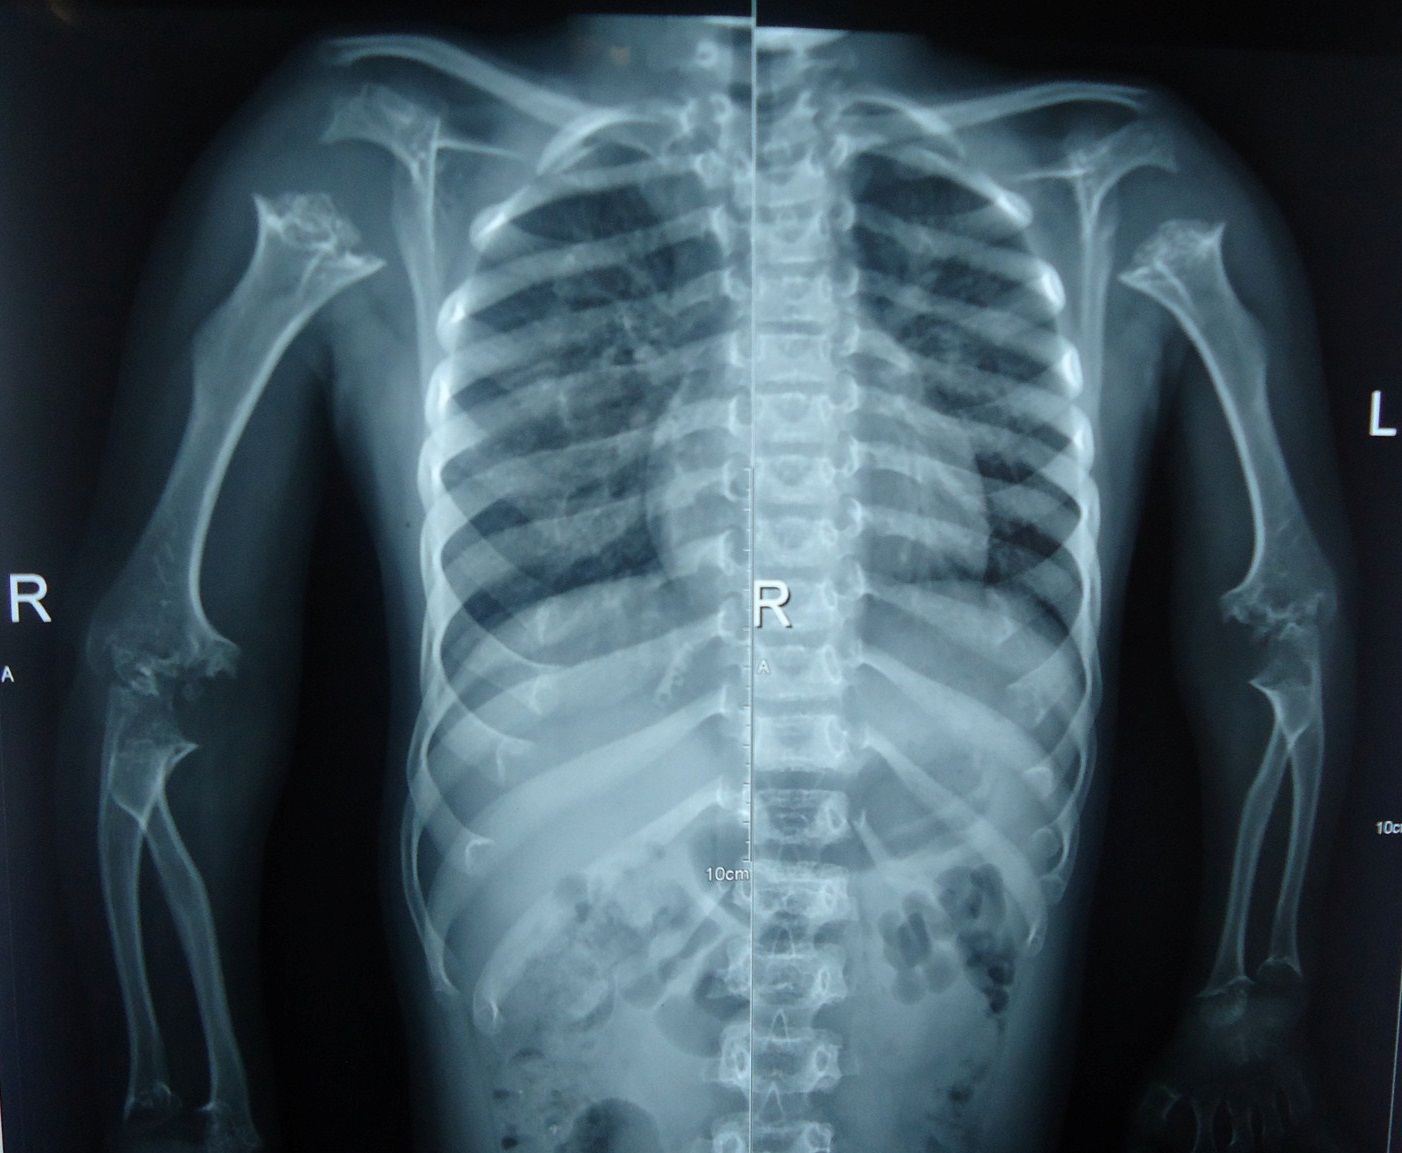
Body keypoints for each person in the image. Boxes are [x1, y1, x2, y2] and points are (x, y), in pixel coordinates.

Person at [68, 16, 1350, 1153]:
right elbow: (164, 677)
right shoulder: (371, 150)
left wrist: (1249, 1011)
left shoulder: (1129, 183)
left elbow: (163, 682)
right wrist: (1248, 1005)